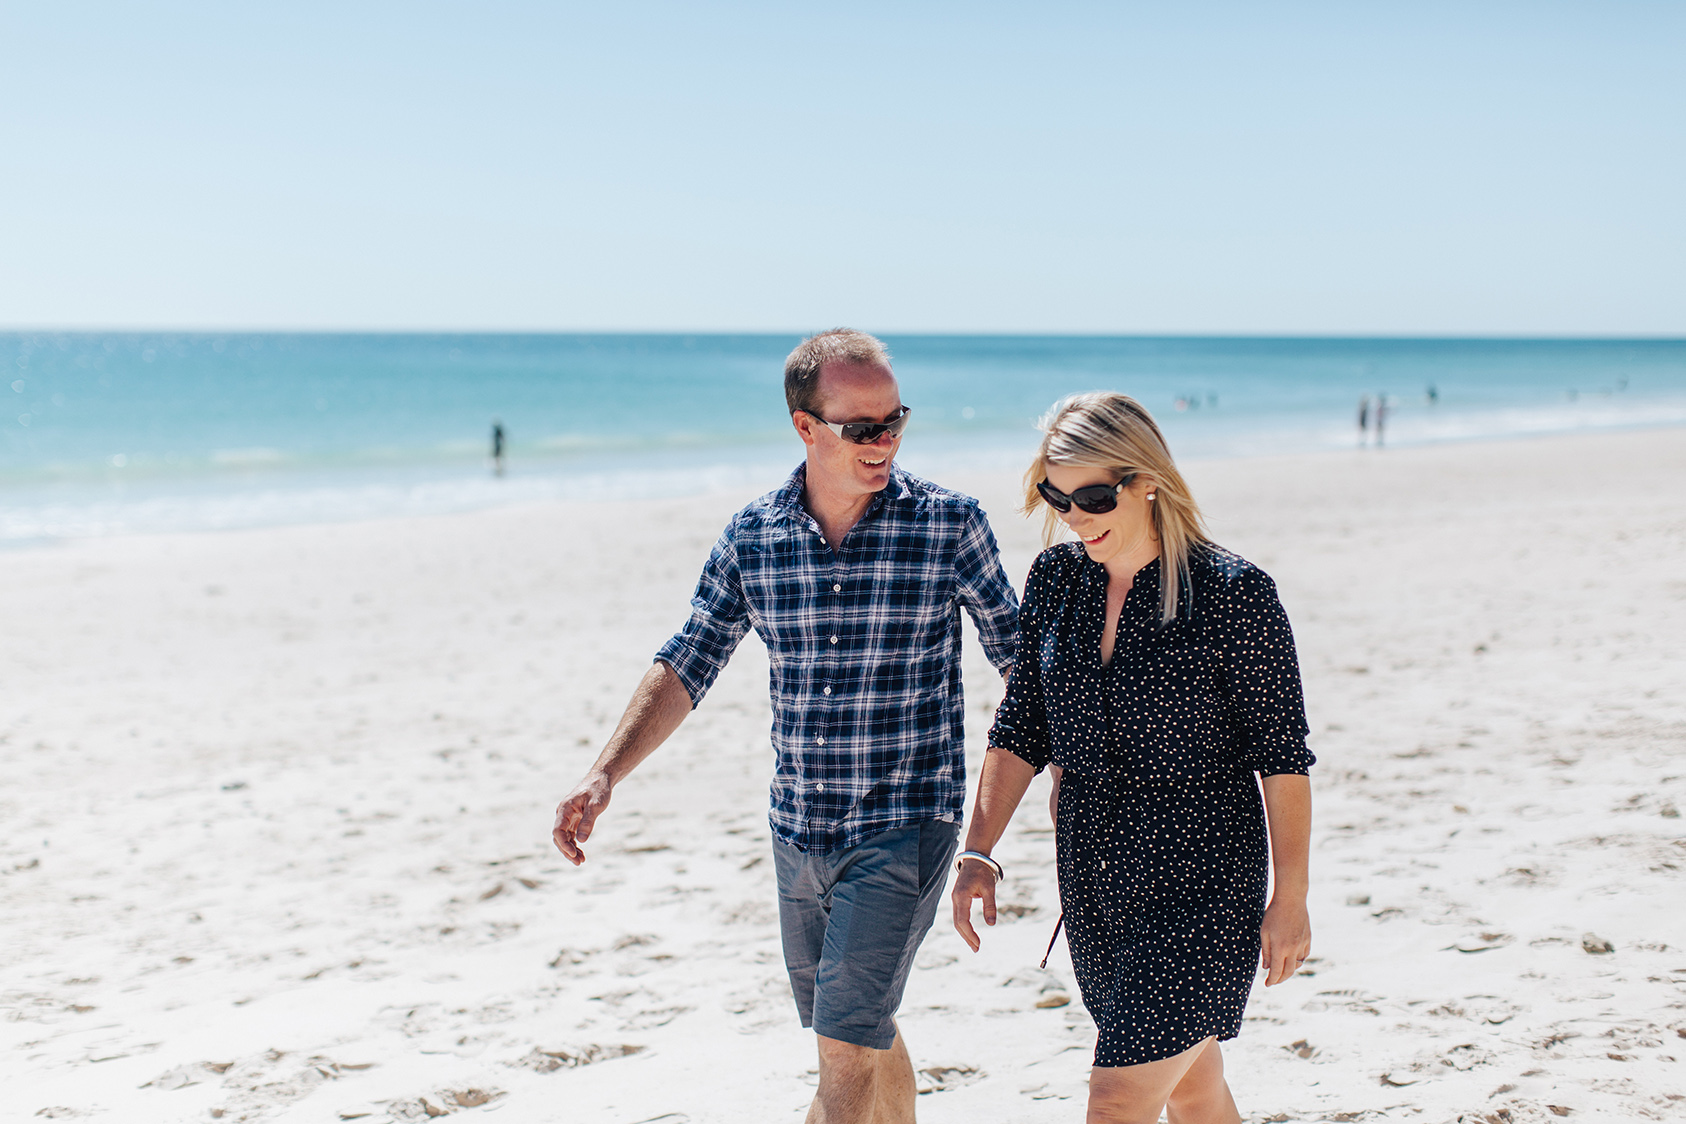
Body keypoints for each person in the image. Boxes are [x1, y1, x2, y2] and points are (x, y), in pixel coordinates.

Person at [553, 329, 1019, 1124]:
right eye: (861, 428)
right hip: (797, 829)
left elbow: (1019, 654)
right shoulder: (754, 536)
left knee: (842, 1048)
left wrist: (1069, 770)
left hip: (906, 824)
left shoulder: (949, 523)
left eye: (895, 421)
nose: (885, 442)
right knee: (857, 1028)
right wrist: (605, 769)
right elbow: (689, 659)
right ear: (806, 427)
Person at [951, 391, 1313, 1124]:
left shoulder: (1235, 596)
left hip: (1204, 875)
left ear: (1145, 479)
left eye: (1092, 496)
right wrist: (978, 851)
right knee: (1192, 1089)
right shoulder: (1055, 582)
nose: (1076, 517)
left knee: (1118, 1098)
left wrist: (1291, 897)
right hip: (1094, 872)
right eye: (1058, 497)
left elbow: (1283, 758)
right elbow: (1021, 727)